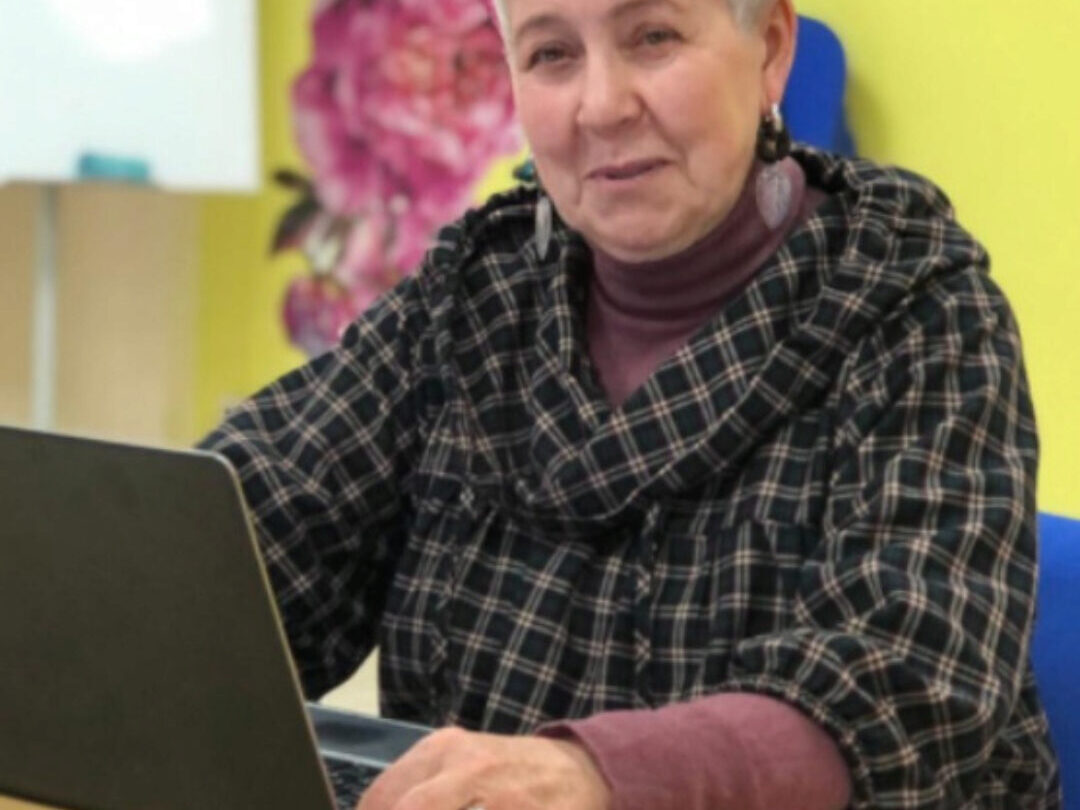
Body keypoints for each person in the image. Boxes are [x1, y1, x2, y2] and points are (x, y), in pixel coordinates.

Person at [200, 0, 1062, 807]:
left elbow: (911, 679)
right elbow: (235, 540)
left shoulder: (919, 312)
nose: (602, 107)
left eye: (653, 36)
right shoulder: (468, 300)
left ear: (769, 48)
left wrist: (598, 776)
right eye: (551, 54)